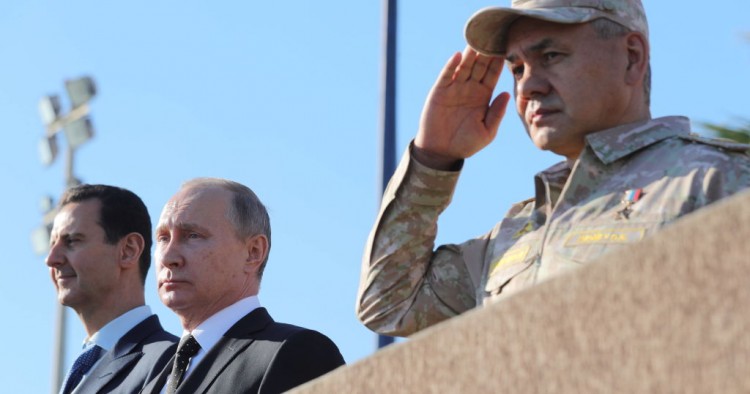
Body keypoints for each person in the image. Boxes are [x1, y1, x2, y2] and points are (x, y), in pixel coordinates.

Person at [356, 0, 750, 337]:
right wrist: (433, 156)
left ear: (632, 57)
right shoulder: (516, 233)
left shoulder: (716, 180)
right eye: (517, 69)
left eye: (551, 57)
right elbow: (389, 303)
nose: (529, 87)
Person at [141, 178, 345, 394]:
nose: (169, 257)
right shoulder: (153, 377)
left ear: (253, 252)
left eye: (193, 235)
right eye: (163, 238)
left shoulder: (299, 353)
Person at [46, 184, 178, 394]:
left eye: (72, 241)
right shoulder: (82, 370)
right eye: (51, 244)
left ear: (128, 250)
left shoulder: (174, 367)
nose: (51, 259)